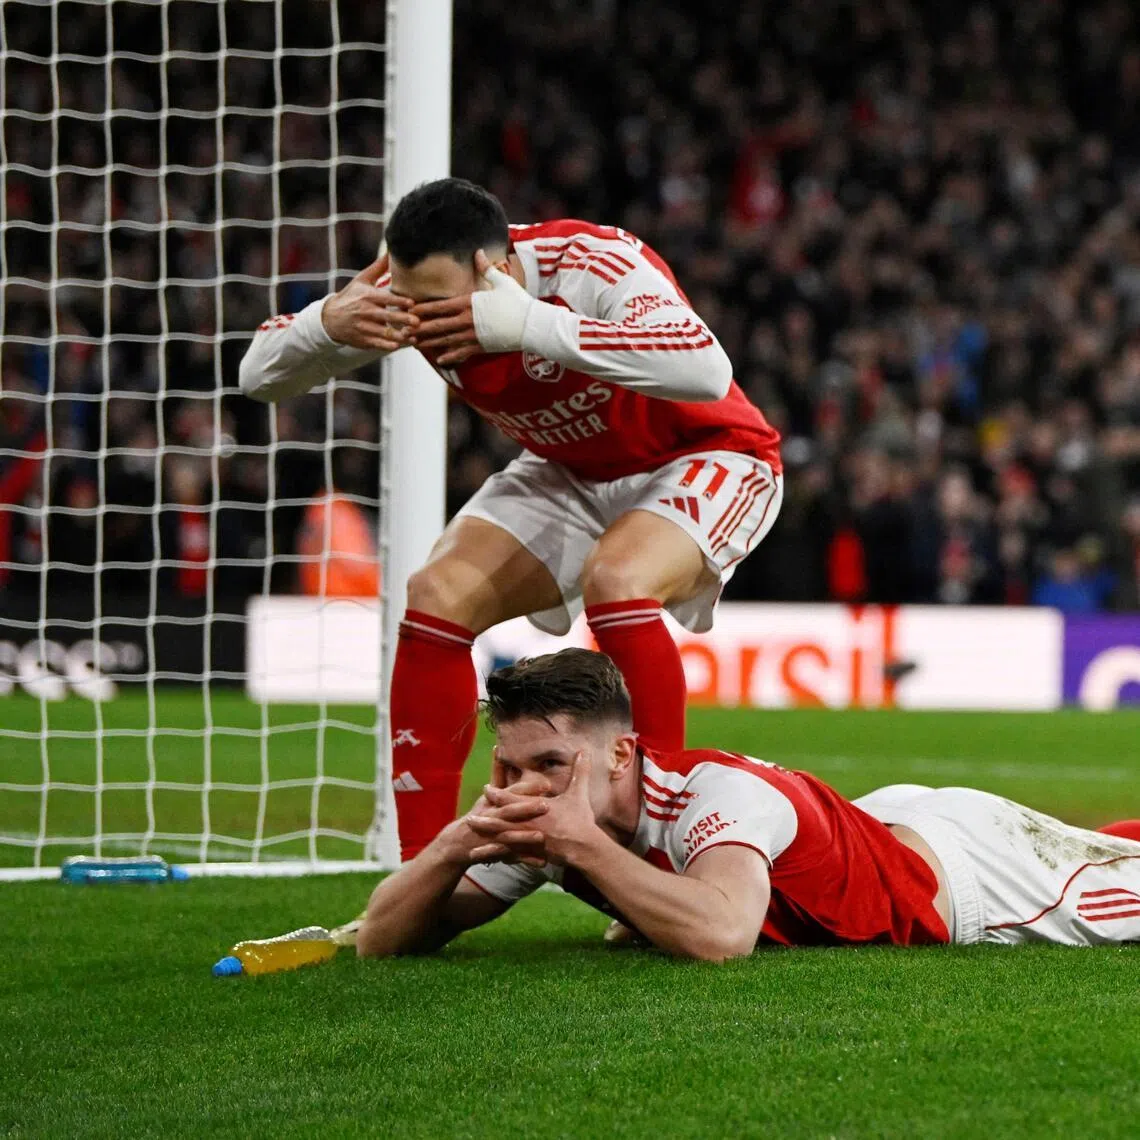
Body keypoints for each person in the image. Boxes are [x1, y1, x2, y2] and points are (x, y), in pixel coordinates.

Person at [240, 178, 783, 859]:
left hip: (706, 451)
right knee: (435, 595)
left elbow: (704, 369)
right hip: (570, 467)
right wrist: (324, 325)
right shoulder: (408, 294)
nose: (417, 319)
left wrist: (530, 324)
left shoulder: (589, 262)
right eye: (407, 299)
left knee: (616, 579)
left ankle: (657, 854)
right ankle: (421, 872)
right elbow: (257, 375)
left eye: (435, 303)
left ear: (489, 267)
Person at [348, 649, 1140, 960]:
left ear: (622, 753)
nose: (528, 788)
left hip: (973, 877)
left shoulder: (711, 798)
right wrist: (456, 843)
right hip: (875, 826)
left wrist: (583, 850)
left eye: (550, 764)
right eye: (512, 766)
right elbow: (380, 940)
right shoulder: (558, 815)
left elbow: (723, 935)